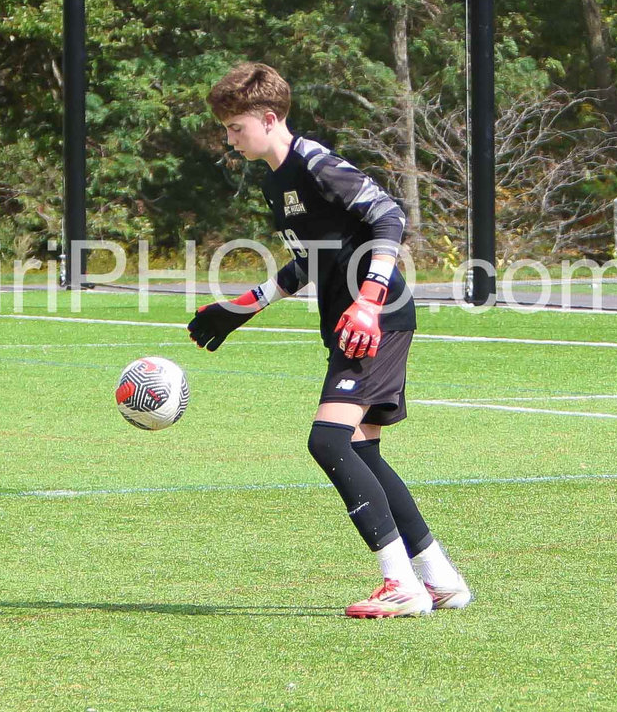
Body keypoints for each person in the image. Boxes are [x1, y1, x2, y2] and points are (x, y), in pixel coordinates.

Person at [188, 62, 471, 618]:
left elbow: (390, 217)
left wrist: (368, 300)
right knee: (361, 449)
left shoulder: (315, 163)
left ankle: (402, 584)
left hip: (377, 319)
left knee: (328, 442)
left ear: (269, 118)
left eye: (235, 127)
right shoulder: (276, 181)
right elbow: (310, 260)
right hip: (355, 323)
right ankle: (440, 578)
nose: (229, 138)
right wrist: (243, 307)